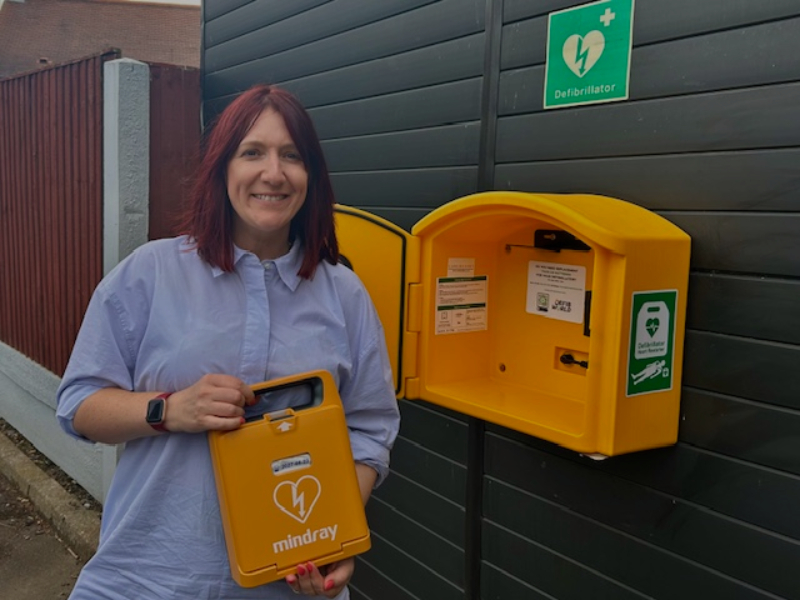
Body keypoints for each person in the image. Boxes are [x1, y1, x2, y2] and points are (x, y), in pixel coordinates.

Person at [56, 84, 400, 599]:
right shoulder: (150, 274)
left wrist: (334, 538)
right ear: (221, 169)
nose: (274, 173)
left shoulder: (344, 295)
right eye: (252, 152)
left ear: (312, 178)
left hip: (286, 586)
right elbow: (79, 405)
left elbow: (369, 433)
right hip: (147, 579)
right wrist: (169, 410)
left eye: (292, 156)